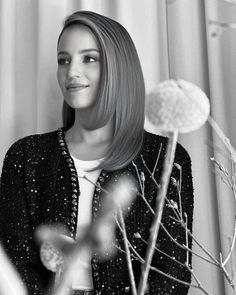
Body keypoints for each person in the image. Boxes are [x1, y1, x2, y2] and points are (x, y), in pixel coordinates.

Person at [0, 10, 194, 295]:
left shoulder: (165, 158)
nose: (71, 72)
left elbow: (172, 273)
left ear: (119, 66)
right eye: (63, 60)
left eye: (88, 58)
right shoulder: (26, 155)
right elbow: (15, 261)